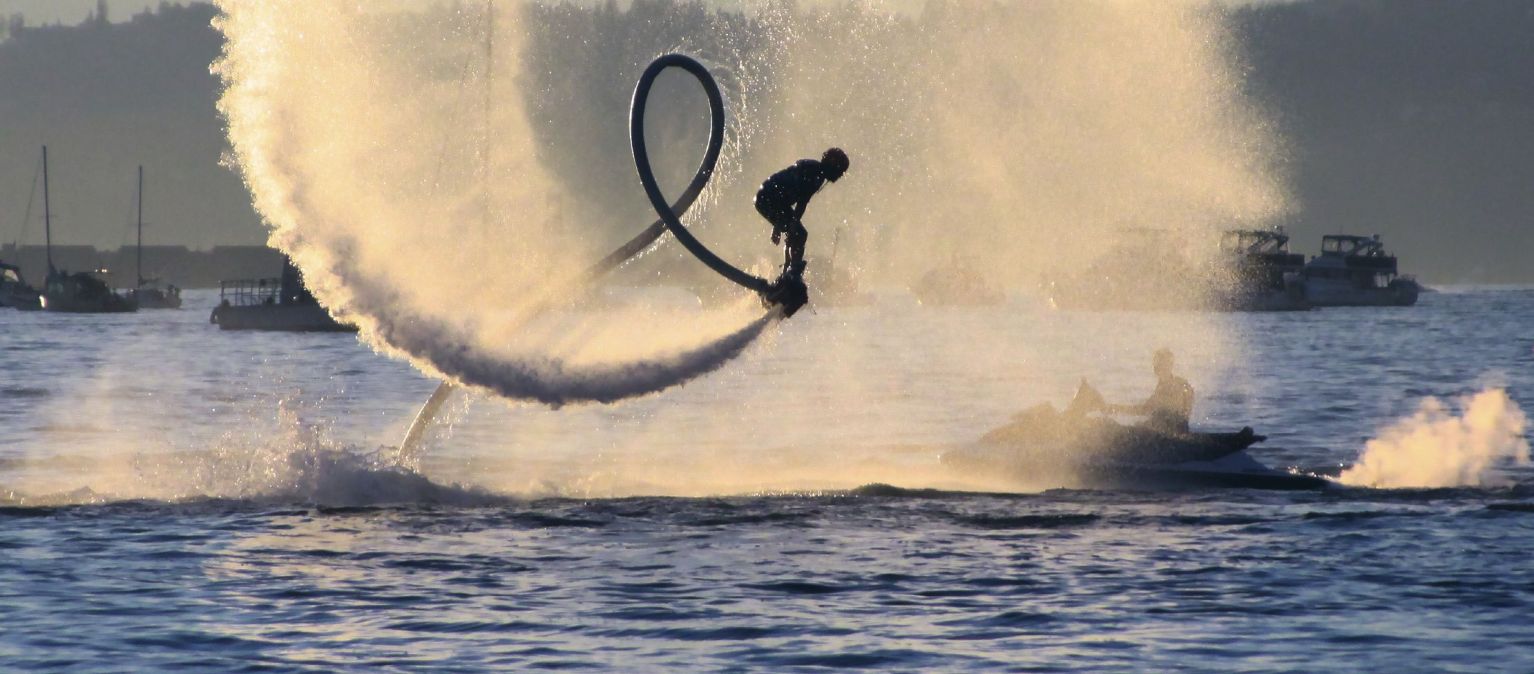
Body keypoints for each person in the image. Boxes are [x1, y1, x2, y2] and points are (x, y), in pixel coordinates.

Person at [755, 148, 850, 276]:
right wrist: (778, 225)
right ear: (832, 164)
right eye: (840, 171)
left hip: (769, 198)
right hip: (768, 198)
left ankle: (789, 271)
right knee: (799, 234)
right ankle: (791, 272)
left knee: (796, 233)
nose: (839, 176)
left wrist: (785, 223)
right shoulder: (814, 173)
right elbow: (793, 197)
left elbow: (800, 203)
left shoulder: (817, 172)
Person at [1099, 348, 1195, 433]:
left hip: (1171, 432)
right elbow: (1145, 409)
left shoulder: (1181, 384)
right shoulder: (1161, 387)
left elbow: (1185, 409)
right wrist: (1116, 408)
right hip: (1165, 430)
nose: (1158, 368)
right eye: (1157, 364)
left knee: (1137, 426)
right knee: (1131, 425)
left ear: (1170, 365)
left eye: (1162, 364)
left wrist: (1181, 421)